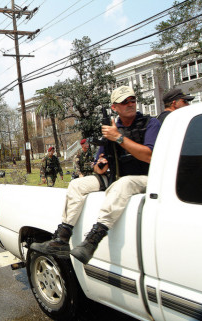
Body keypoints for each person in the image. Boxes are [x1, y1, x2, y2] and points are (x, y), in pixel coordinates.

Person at [32, 86, 161, 264]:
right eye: (124, 102)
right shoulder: (111, 130)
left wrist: (119, 138)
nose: (130, 104)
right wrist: (99, 166)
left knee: (124, 183)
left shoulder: (150, 123)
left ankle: (93, 240)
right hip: (115, 176)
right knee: (77, 184)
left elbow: (150, 156)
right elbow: (97, 164)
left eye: (132, 100)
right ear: (114, 107)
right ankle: (62, 238)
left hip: (146, 178)